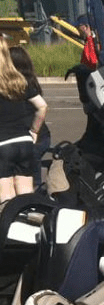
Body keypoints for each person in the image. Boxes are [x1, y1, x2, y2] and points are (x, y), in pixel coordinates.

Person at [0, 38, 46, 202]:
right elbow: (42, 106)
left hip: (2, 144)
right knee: (26, 194)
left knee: (6, 198)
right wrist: (34, 131)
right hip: (24, 141)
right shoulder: (20, 81)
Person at [10, 45, 50, 189]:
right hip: (40, 136)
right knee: (32, 177)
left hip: (29, 138)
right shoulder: (31, 81)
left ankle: (32, 201)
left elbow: (42, 107)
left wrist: (34, 131)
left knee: (28, 179)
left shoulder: (18, 85)